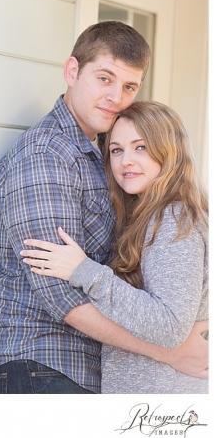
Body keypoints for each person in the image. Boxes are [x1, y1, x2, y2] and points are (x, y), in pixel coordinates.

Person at [0, 21, 208, 394]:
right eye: (105, 78)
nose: (116, 97)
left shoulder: (103, 156)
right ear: (73, 72)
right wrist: (170, 353)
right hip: (40, 364)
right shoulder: (46, 157)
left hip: (83, 372)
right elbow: (61, 295)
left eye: (129, 86)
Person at [20, 101, 208, 393]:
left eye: (141, 147)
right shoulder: (149, 217)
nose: (126, 161)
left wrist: (84, 271)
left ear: (169, 152)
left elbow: (169, 326)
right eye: (117, 150)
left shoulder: (172, 217)